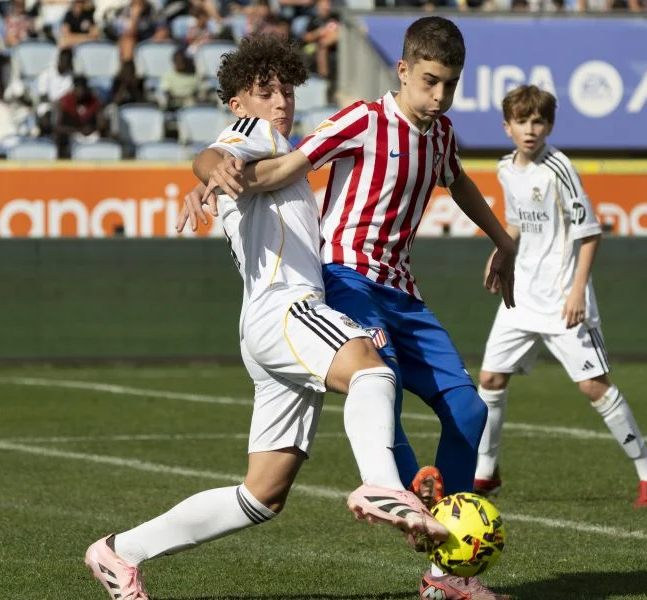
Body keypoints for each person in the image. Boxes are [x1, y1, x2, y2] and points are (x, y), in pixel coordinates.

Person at [85, 34, 447, 600]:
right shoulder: (256, 135)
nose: (280, 101)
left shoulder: (281, 156)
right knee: (371, 369)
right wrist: (211, 170)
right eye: (265, 91)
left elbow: (221, 165)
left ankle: (118, 552)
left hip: (269, 322)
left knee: (262, 495)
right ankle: (381, 485)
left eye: (287, 91)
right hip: (287, 308)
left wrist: (212, 178)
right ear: (239, 104)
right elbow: (212, 154)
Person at [189, 16, 516, 600]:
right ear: (403, 70)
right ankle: (413, 507)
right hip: (346, 280)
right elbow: (286, 166)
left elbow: (459, 181)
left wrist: (504, 241)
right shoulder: (362, 119)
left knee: (469, 411)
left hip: (402, 292)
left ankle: (441, 565)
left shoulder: (441, 135)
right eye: (430, 81)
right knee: (379, 382)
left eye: (450, 84)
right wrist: (216, 174)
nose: (439, 96)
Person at [472, 84, 647, 509]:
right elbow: (516, 222)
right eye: (522, 121)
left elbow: (590, 233)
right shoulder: (506, 169)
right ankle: (486, 472)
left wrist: (578, 291)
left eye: (538, 121)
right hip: (521, 296)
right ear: (507, 127)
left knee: (593, 386)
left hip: (563, 299)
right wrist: (500, 252)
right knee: (489, 379)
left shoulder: (559, 168)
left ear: (549, 126)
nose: (530, 129)